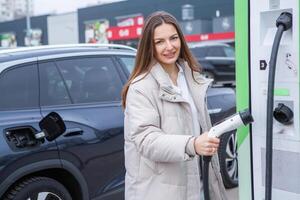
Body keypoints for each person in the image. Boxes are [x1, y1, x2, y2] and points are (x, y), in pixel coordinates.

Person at [122, 11, 228, 200]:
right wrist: (192, 144)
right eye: (159, 41)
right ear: (149, 47)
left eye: (173, 38)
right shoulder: (141, 87)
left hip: (195, 185)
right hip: (158, 191)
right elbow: (146, 140)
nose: (169, 47)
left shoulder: (191, 78)